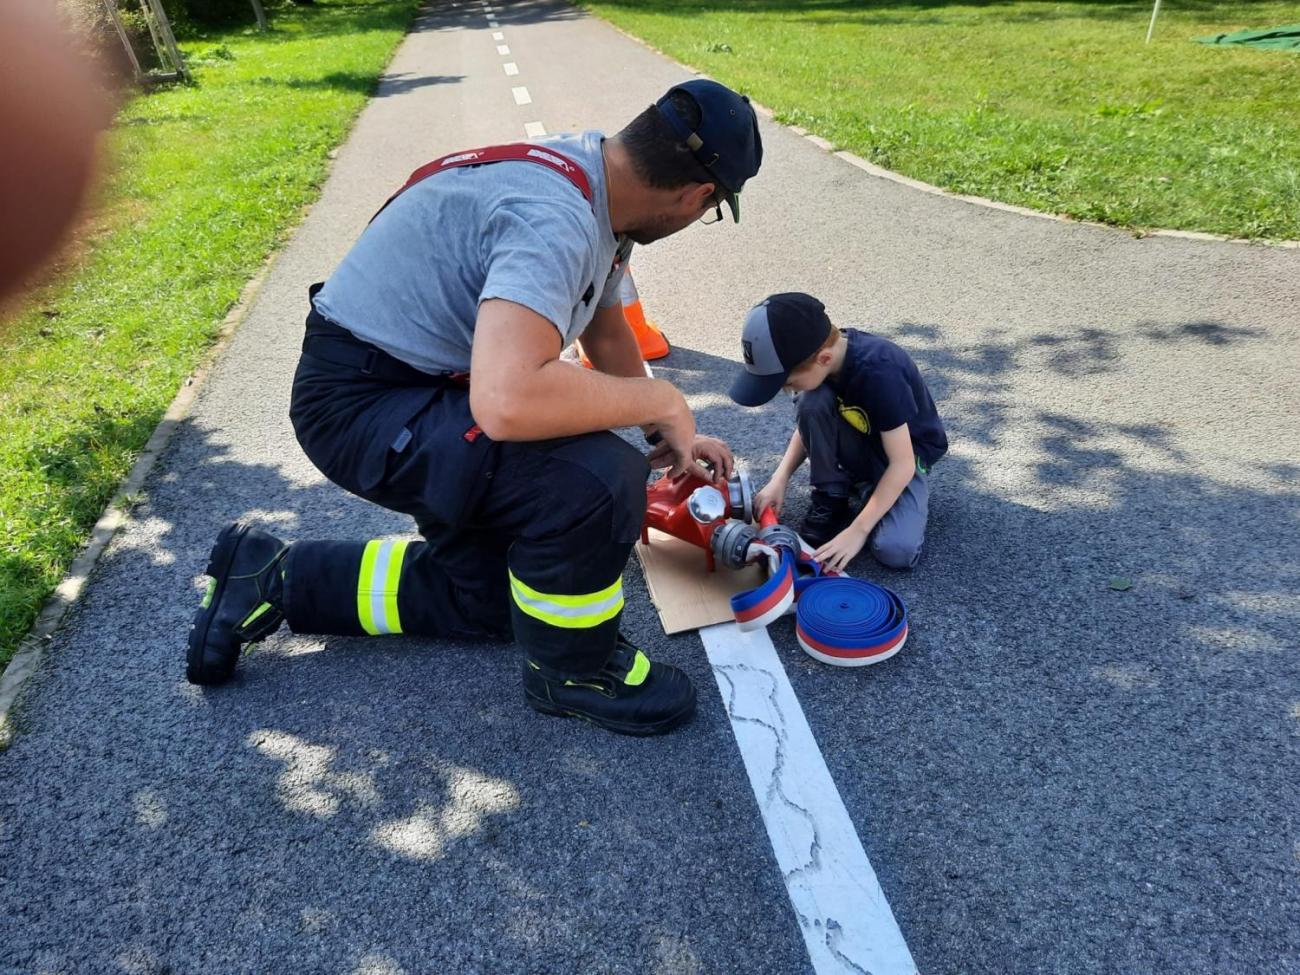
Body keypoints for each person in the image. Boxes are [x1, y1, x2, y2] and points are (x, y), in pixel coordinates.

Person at [186, 79, 764, 737]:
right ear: (697, 198)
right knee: (599, 482)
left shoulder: (597, 184)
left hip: (412, 380)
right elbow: (507, 400)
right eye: (711, 210)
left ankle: (271, 576)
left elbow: (605, 331)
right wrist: (658, 397)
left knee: (491, 598)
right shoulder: (558, 221)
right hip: (360, 403)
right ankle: (575, 670)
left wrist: (669, 426)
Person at [729, 293, 946, 573]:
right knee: (812, 398)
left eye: (788, 381)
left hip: (902, 458)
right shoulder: (824, 363)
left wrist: (858, 530)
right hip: (863, 439)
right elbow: (809, 424)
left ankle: (871, 490)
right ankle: (833, 495)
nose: (785, 390)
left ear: (824, 358)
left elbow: (902, 464)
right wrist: (779, 479)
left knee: (896, 551)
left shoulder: (880, 372)